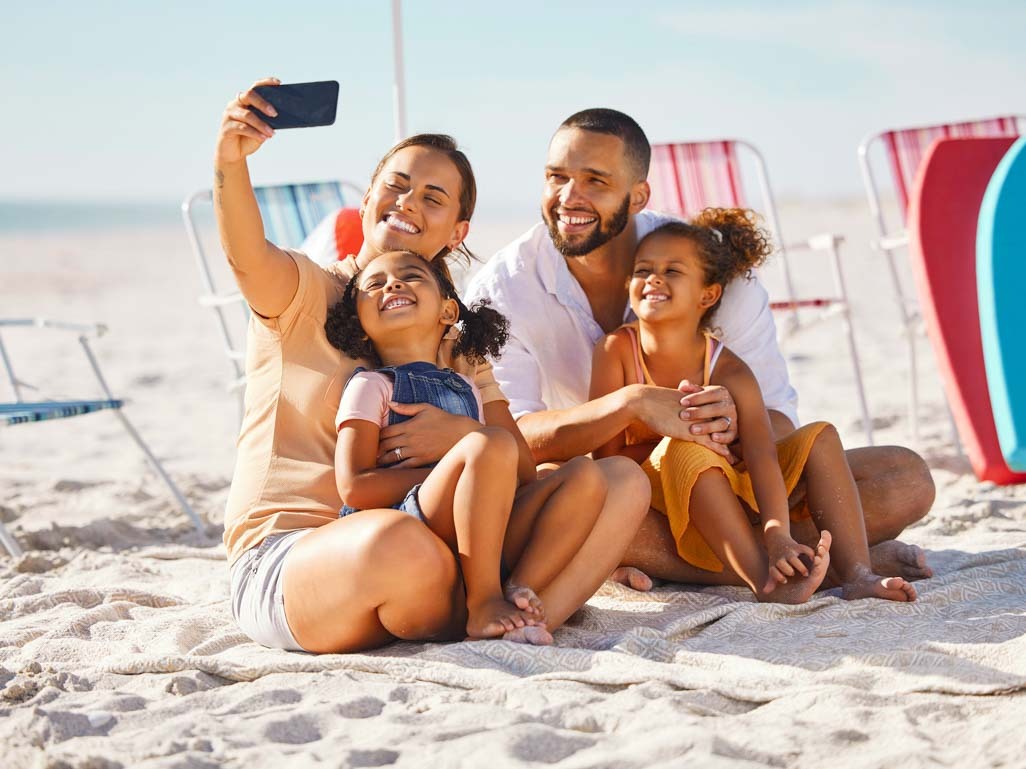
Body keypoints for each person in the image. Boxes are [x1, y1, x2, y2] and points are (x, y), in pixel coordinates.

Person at [217, 80, 650, 653]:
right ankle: (490, 599)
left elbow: (514, 464)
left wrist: (464, 435)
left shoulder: (457, 340)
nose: (407, 203)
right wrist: (229, 160)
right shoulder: (306, 293)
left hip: (443, 549)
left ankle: (525, 615)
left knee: (620, 481)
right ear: (369, 197)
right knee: (400, 547)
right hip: (301, 556)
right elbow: (247, 254)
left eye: (432, 197)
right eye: (396, 186)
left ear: (458, 232)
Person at [465, 107, 935, 589]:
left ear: (639, 195)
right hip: (619, 490)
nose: (569, 198)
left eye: (595, 182)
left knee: (906, 478)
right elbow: (513, 438)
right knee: (548, 495)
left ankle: (745, 558)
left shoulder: (710, 270)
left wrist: (731, 423)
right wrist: (634, 405)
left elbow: (777, 421)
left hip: (733, 482)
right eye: (556, 177)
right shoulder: (502, 290)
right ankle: (816, 560)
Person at [591, 210, 917, 603]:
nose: (654, 278)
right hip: (657, 498)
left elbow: (762, 454)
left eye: (672, 271)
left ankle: (857, 572)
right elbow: (607, 458)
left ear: (707, 294)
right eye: (644, 270)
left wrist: (777, 531)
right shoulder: (615, 352)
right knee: (688, 450)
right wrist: (685, 438)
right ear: (629, 283)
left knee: (821, 436)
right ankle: (763, 580)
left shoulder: (728, 368)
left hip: (730, 493)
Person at [326, 249, 610, 642]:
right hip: (410, 525)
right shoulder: (371, 386)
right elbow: (354, 488)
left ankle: (520, 592)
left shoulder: (470, 389)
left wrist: (470, 448)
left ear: (447, 312)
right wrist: (457, 475)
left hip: (480, 536)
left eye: (411, 276)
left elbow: (520, 476)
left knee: (584, 474)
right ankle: (483, 603)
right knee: (488, 444)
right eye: (374, 284)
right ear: (360, 326)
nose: (392, 284)